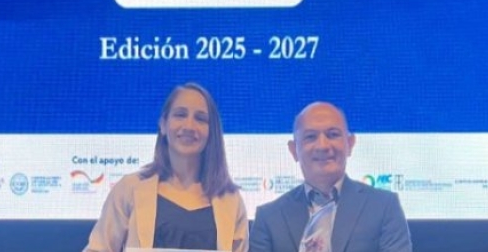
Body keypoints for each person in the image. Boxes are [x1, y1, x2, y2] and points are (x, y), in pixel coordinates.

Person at [83, 82, 248, 252]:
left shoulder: (231, 201)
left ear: (212, 131)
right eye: (180, 115)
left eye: (200, 119)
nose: (189, 126)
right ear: (163, 124)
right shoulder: (129, 189)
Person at [250, 102, 412, 252]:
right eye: (310, 137)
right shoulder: (268, 218)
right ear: (294, 150)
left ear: (350, 144)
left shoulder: (384, 207)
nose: (323, 146)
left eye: (333, 135)